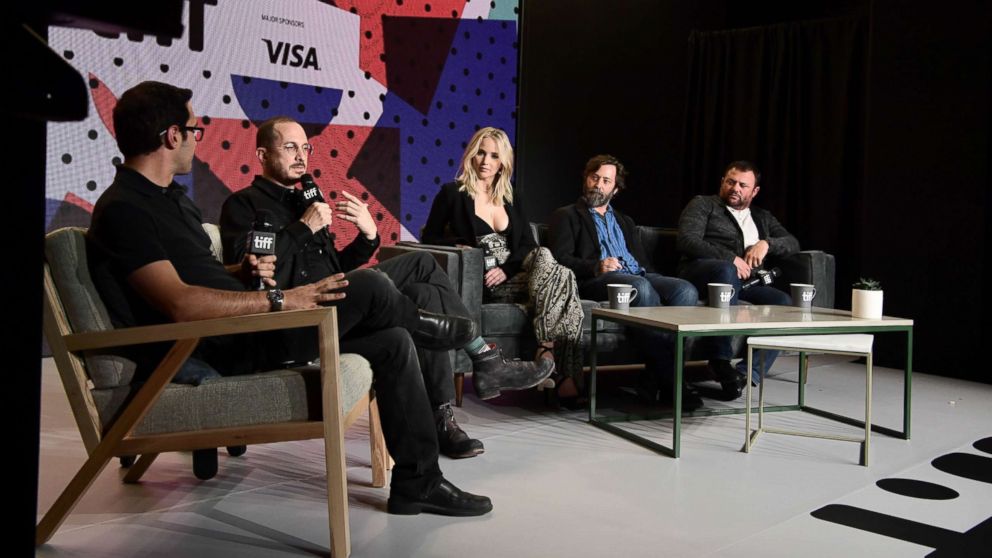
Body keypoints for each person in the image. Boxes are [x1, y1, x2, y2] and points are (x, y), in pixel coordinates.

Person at [86, 81, 492, 516]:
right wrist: (284, 300)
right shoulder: (125, 209)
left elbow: (196, 277)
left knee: (393, 340)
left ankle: (419, 483)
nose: (195, 139)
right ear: (171, 136)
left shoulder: (172, 202)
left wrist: (240, 272)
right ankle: (439, 332)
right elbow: (181, 304)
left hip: (245, 326)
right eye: (193, 129)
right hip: (227, 343)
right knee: (373, 288)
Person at [219, 117, 553, 457]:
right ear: (262, 154)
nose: (300, 155)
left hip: (338, 306)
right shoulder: (243, 204)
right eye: (289, 147)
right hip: (297, 320)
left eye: (305, 147)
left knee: (425, 293)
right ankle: (485, 358)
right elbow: (246, 275)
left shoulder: (307, 200)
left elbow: (336, 268)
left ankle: (441, 418)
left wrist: (368, 235)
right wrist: (303, 228)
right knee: (418, 264)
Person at [421, 127, 583, 407]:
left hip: (517, 274)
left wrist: (507, 269)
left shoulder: (511, 197)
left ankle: (547, 352)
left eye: (494, 155)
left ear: (503, 162)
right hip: (486, 281)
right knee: (565, 279)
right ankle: (563, 374)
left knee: (547, 258)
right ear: (471, 154)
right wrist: (456, 246)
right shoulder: (453, 193)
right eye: (481, 152)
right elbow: (429, 237)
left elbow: (526, 246)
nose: (485, 160)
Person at [548, 154, 703, 410]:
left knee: (685, 290)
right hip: (597, 278)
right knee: (639, 287)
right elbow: (560, 260)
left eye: (606, 181)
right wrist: (596, 266)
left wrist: (655, 277)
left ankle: (653, 377)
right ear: (586, 179)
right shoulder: (566, 215)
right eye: (594, 177)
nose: (598, 184)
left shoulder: (624, 220)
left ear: (615, 189)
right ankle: (672, 383)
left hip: (638, 274)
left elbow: (640, 261)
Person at [677, 160, 800, 398]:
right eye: (731, 182)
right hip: (702, 273)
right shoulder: (704, 205)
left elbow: (793, 242)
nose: (736, 188)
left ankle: (746, 373)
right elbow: (686, 240)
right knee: (726, 271)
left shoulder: (762, 217)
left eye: (743, 185)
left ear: (754, 192)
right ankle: (719, 359)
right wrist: (730, 258)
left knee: (783, 303)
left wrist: (767, 243)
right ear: (722, 182)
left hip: (745, 284)